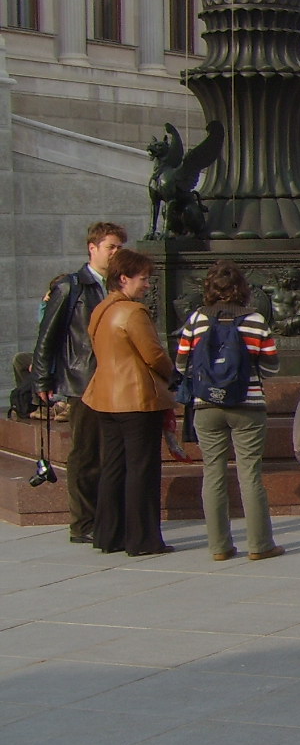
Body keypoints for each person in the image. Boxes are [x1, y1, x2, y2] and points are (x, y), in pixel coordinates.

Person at [175, 260, 282, 562]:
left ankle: (219, 546)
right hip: (247, 406)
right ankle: (260, 545)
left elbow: (182, 364)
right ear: (242, 289)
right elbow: (271, 367)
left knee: (213, 473)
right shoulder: (255, 320)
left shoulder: (196, 319)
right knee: (250, 474)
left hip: (206, 407)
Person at [31, 221, 126, 544]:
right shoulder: (71, 286)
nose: (115, 253)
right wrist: (42, 378)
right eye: (110, 247)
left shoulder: (118, 286)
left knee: (110, 452)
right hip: (82, 379)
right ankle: (83, 523)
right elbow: (47, 335)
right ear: (93, 248)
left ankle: (108, 518)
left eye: (119, 247)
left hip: (115, 379)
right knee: (86, 453)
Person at [81, 247, 174, 558]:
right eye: (143, 279)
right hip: (136, 398)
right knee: (141, 469)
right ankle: (142, 539)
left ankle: (109, 535)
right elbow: (154, 355)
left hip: (105, 396)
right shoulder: (133, 312)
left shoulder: (101, 309)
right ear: (124, 278)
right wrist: (174, 377)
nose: (147, 285)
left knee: (113, 467)